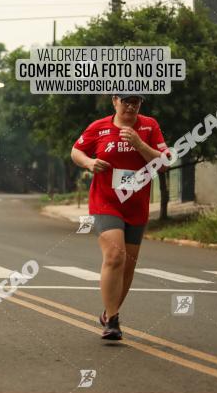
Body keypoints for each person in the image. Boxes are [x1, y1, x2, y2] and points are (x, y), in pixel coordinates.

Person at [70, 94, 167, 340]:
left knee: (128, 265)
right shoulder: (99, 127)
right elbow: (76, 151)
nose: (131, 106)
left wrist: (140, 144)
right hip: (106, 201)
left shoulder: (149, 126)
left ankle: (108, 312)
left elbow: (165, 163)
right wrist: (89, 163)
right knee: (115, 256)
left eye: (136, 102)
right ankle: (112, 321)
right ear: (115, 101)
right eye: (126, 101)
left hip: (135, 205)